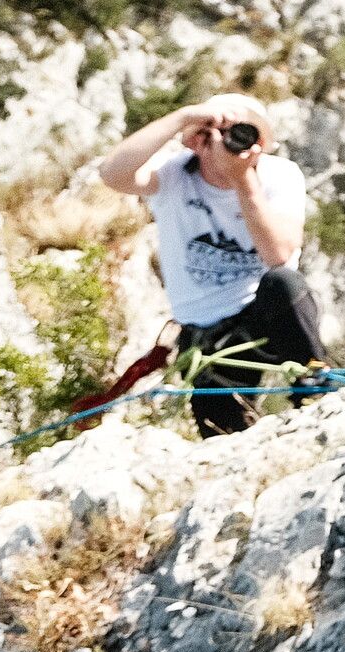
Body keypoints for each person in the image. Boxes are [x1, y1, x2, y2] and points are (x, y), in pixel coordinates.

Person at [95, 94, 326, 435]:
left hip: (266, 312)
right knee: (219, 431)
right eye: (218, 133)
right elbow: (112, 174)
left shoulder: (280, 176)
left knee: (283, 282)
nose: (231, 142)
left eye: (243, 134)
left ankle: (316, 387)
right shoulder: (174, 176)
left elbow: (278, 255)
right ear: (199, 140)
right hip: (207, 334)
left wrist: (242, 178)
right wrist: (185, 117)